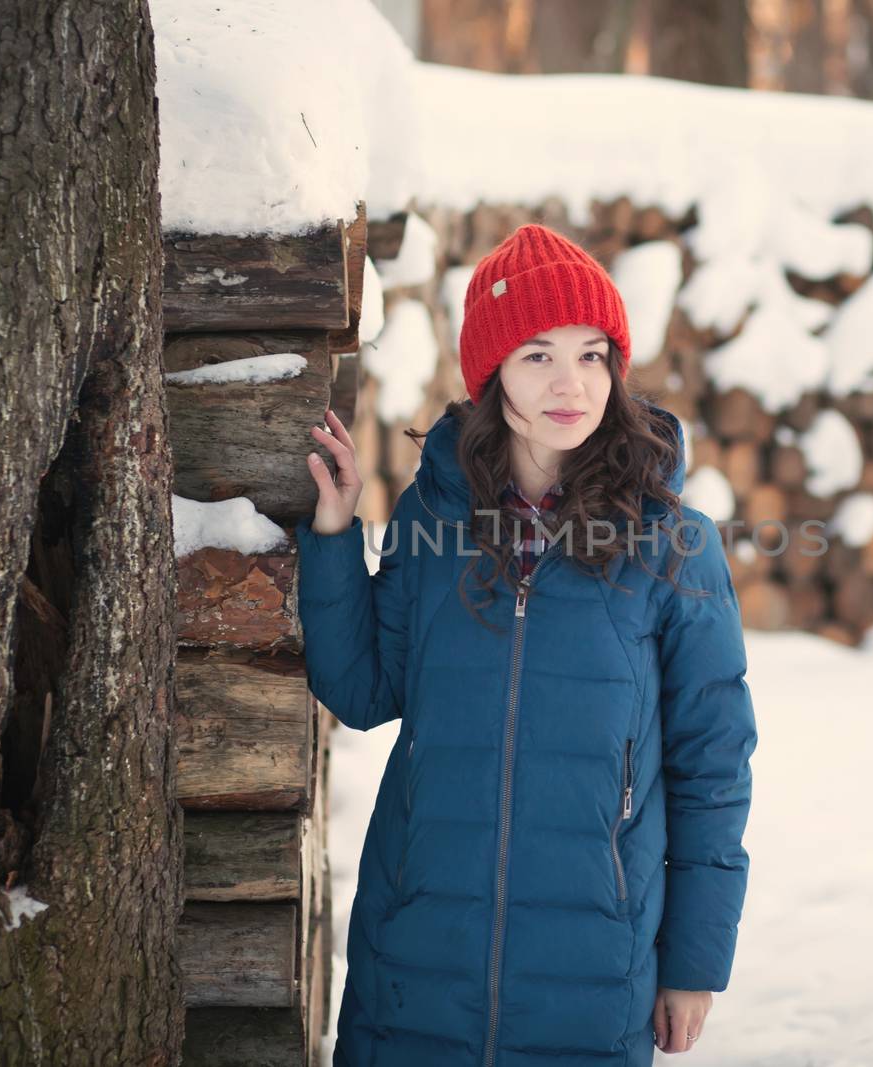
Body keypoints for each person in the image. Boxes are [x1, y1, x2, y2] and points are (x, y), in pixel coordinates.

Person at [296, 223, 757, 1067]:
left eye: (591, 354)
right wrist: (333, 535)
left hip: (594, 971)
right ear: (491, 371)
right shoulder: (436, 520)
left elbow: (713, 764)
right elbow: (363, 690)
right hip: (417, 958)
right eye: (538, 354)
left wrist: (694, 962)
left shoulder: (673, 544)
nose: (571, 383)